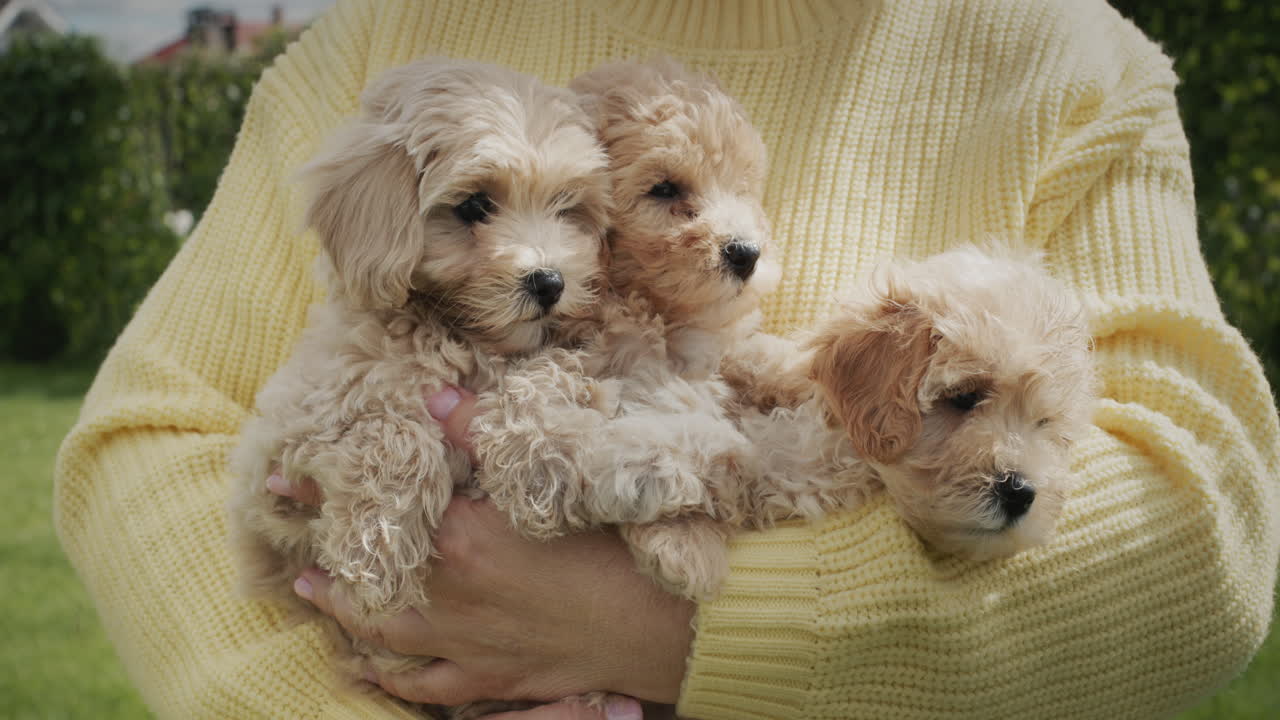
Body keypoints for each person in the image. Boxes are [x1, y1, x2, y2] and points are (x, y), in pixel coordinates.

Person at [53, 1, 1279, 718]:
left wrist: (675, 635)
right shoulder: (383, 35)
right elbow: (148, 435)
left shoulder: (1071, 63)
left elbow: (1204, 522)